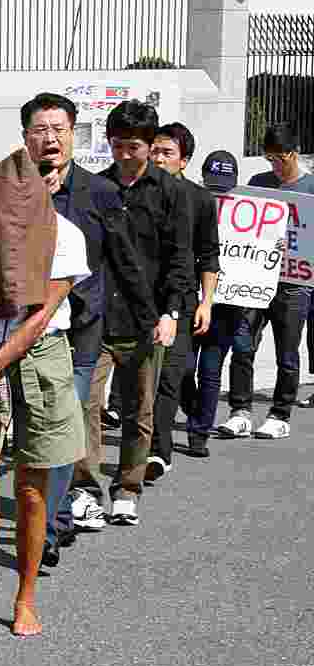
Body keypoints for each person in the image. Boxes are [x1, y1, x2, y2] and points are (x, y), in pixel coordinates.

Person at [0, 148, 91, 639]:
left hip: (39, 357)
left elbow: (39, 318)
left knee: (32, 489)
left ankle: (25, 597)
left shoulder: (66, 237)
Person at [17, 92, 145, 561]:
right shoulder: (10, 189)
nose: (50, 139)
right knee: (37, 429)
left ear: (73, 134)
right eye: (40, 130)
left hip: (83, 326)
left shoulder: (101, 193)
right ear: (26, 137)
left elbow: (124, 260)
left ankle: (47, 529)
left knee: (65, 422)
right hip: (27, 329)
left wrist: (148, 319)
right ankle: (59, 514)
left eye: (59, 130)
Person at [72, 100, 193, 528]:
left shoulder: (172, 192)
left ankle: (128, 488)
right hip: (97, 315)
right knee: (85, 403)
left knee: (139, 408)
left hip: (148, 318)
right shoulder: (95, 188)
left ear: (151, 145)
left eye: (135, 146)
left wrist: (171, 312)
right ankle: (85, 487)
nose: (125, 154)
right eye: (118, 145)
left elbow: (181, 258)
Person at [217, 123, 314, 440]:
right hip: (255, 280)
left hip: (294, 283)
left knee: (287, 351)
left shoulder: (311, 188)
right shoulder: (258, 183)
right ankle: (240, 410)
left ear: (294, 153)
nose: (274, 165)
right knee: (243, 346)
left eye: (279, 158)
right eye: (269, 158)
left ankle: (280, 414)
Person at [147, 123, 220, 473]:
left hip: (182, 299)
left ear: (184, 160)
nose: (158, 159)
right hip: (138, 301)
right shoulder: (134, 193)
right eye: (155, 151)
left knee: (172, 374)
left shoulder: (200, 200)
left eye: (167, 153)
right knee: (144, 377)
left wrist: (206, 302)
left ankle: (159, 453)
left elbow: (208, 255)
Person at [183, 151, 253, 458]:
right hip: (189, 299)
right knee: (183, 369)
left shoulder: (249, 214)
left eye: (224, 185)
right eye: (213, 183)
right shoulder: (190, 202)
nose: (218, 191)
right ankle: (194, 408)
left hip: (227, 303)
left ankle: (199, 433)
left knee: (211, 371)